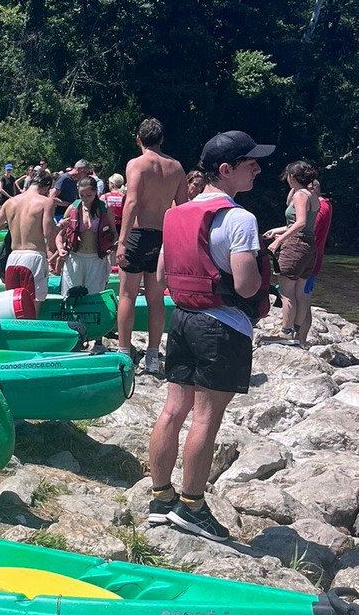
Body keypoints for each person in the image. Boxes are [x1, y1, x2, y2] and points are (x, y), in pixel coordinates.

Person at [148, 130, 274, 541]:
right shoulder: (241, 218)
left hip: (182, 320)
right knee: (206, 415)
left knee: (172, 410)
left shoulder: (175, 214)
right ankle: (192, 507)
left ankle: (160, 499)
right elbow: (245, 285)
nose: (257, 167)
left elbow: (164, 275)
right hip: (221, 326)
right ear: (226, 170)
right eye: (249, 161)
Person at [116, 118, 189, 373]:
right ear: (161, 140)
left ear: (138, 140)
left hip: (138, 235)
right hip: (162, 237)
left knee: (127, 295)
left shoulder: (137, 164)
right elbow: (183, 208)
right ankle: (153, 355)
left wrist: (122, 241)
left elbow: (132, 201)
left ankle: (124, 353)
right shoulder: (176, 168)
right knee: (156, 298)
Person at [56, 176, 117, 352]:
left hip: (96, 259)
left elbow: (114, 233)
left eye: (89, 195)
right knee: (71, 296)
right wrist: (60, 248)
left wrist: (113, 246)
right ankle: (73, 337)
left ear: (95, 193)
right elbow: (59, 235)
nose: (85, 199)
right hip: (75, 257)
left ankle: (97, 339)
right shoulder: (73, 208)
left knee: (95, 297)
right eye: (82, 195)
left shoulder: (106, 208)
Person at [264, 161, 319, 344]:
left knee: (287, 293)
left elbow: (300, 222)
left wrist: (279, 240)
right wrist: (277, 231)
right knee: (300, 292)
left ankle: (286, 333)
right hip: (309, 246)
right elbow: (301, 225)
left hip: (295, 246)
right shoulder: (313, 195)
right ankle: (295, 332)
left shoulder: (299, 195)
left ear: (291, 177)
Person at [0, 168, 57, 317]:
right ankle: (31, 337)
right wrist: (61, 227)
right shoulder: (46, 202)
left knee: (14, 305)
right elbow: (48, 233)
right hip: (33, 257)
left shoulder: (10, 202)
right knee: (33, 305)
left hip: (13, 258)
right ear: (47, 188)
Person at [298, 177, 332, 345]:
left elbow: (308, 229)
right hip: (312, 258)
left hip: (310, 260)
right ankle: (301, 339)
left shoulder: (320, 207)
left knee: (303, 298)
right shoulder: (325, 205)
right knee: (304, 297)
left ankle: (301, 340)